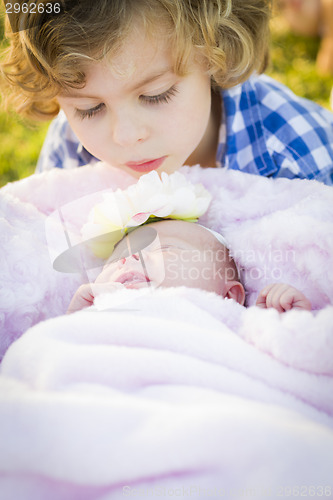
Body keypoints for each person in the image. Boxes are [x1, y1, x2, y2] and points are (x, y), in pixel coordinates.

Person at [1, 0, 333, 184]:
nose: (126, 136)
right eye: (90, 109)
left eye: (156, 94)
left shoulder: (297, 156)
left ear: (215, 51)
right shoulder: (70, 153)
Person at [67, 219, 312, 314]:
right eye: (117, 258)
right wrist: (76, 319)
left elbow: (287, 362)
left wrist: (286, 318)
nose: (129, 259)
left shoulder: (236, 325)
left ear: (228, 296)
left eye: (164, 249)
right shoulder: (100, 318)